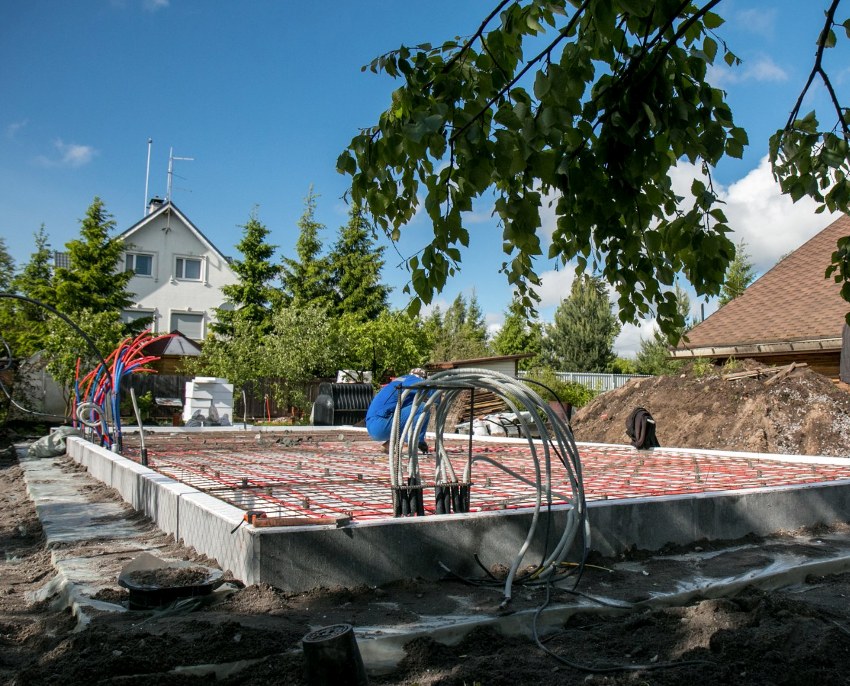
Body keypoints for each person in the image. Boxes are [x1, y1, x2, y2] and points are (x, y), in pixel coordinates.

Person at [366, 368, 431, 453]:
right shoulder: (412, 380)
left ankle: (389, 445)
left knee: (408, 417)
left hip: (373, 425)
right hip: (381, 423)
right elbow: (431, 390)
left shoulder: (399, 382)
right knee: (423, 407)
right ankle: (410, 445)